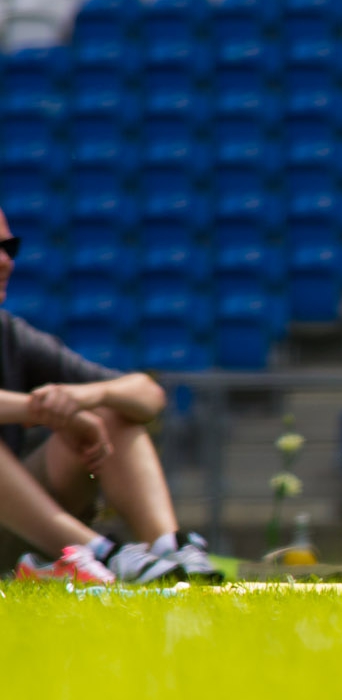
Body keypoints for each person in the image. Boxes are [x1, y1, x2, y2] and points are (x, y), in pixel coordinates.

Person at [0, 207, 221, 585]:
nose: (6, 262)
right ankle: (109, 554)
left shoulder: (11, 335)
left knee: (113, 412)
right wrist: (54, 412)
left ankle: (169, 552)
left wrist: (86, 399)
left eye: (10, 247)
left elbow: (148, 394)